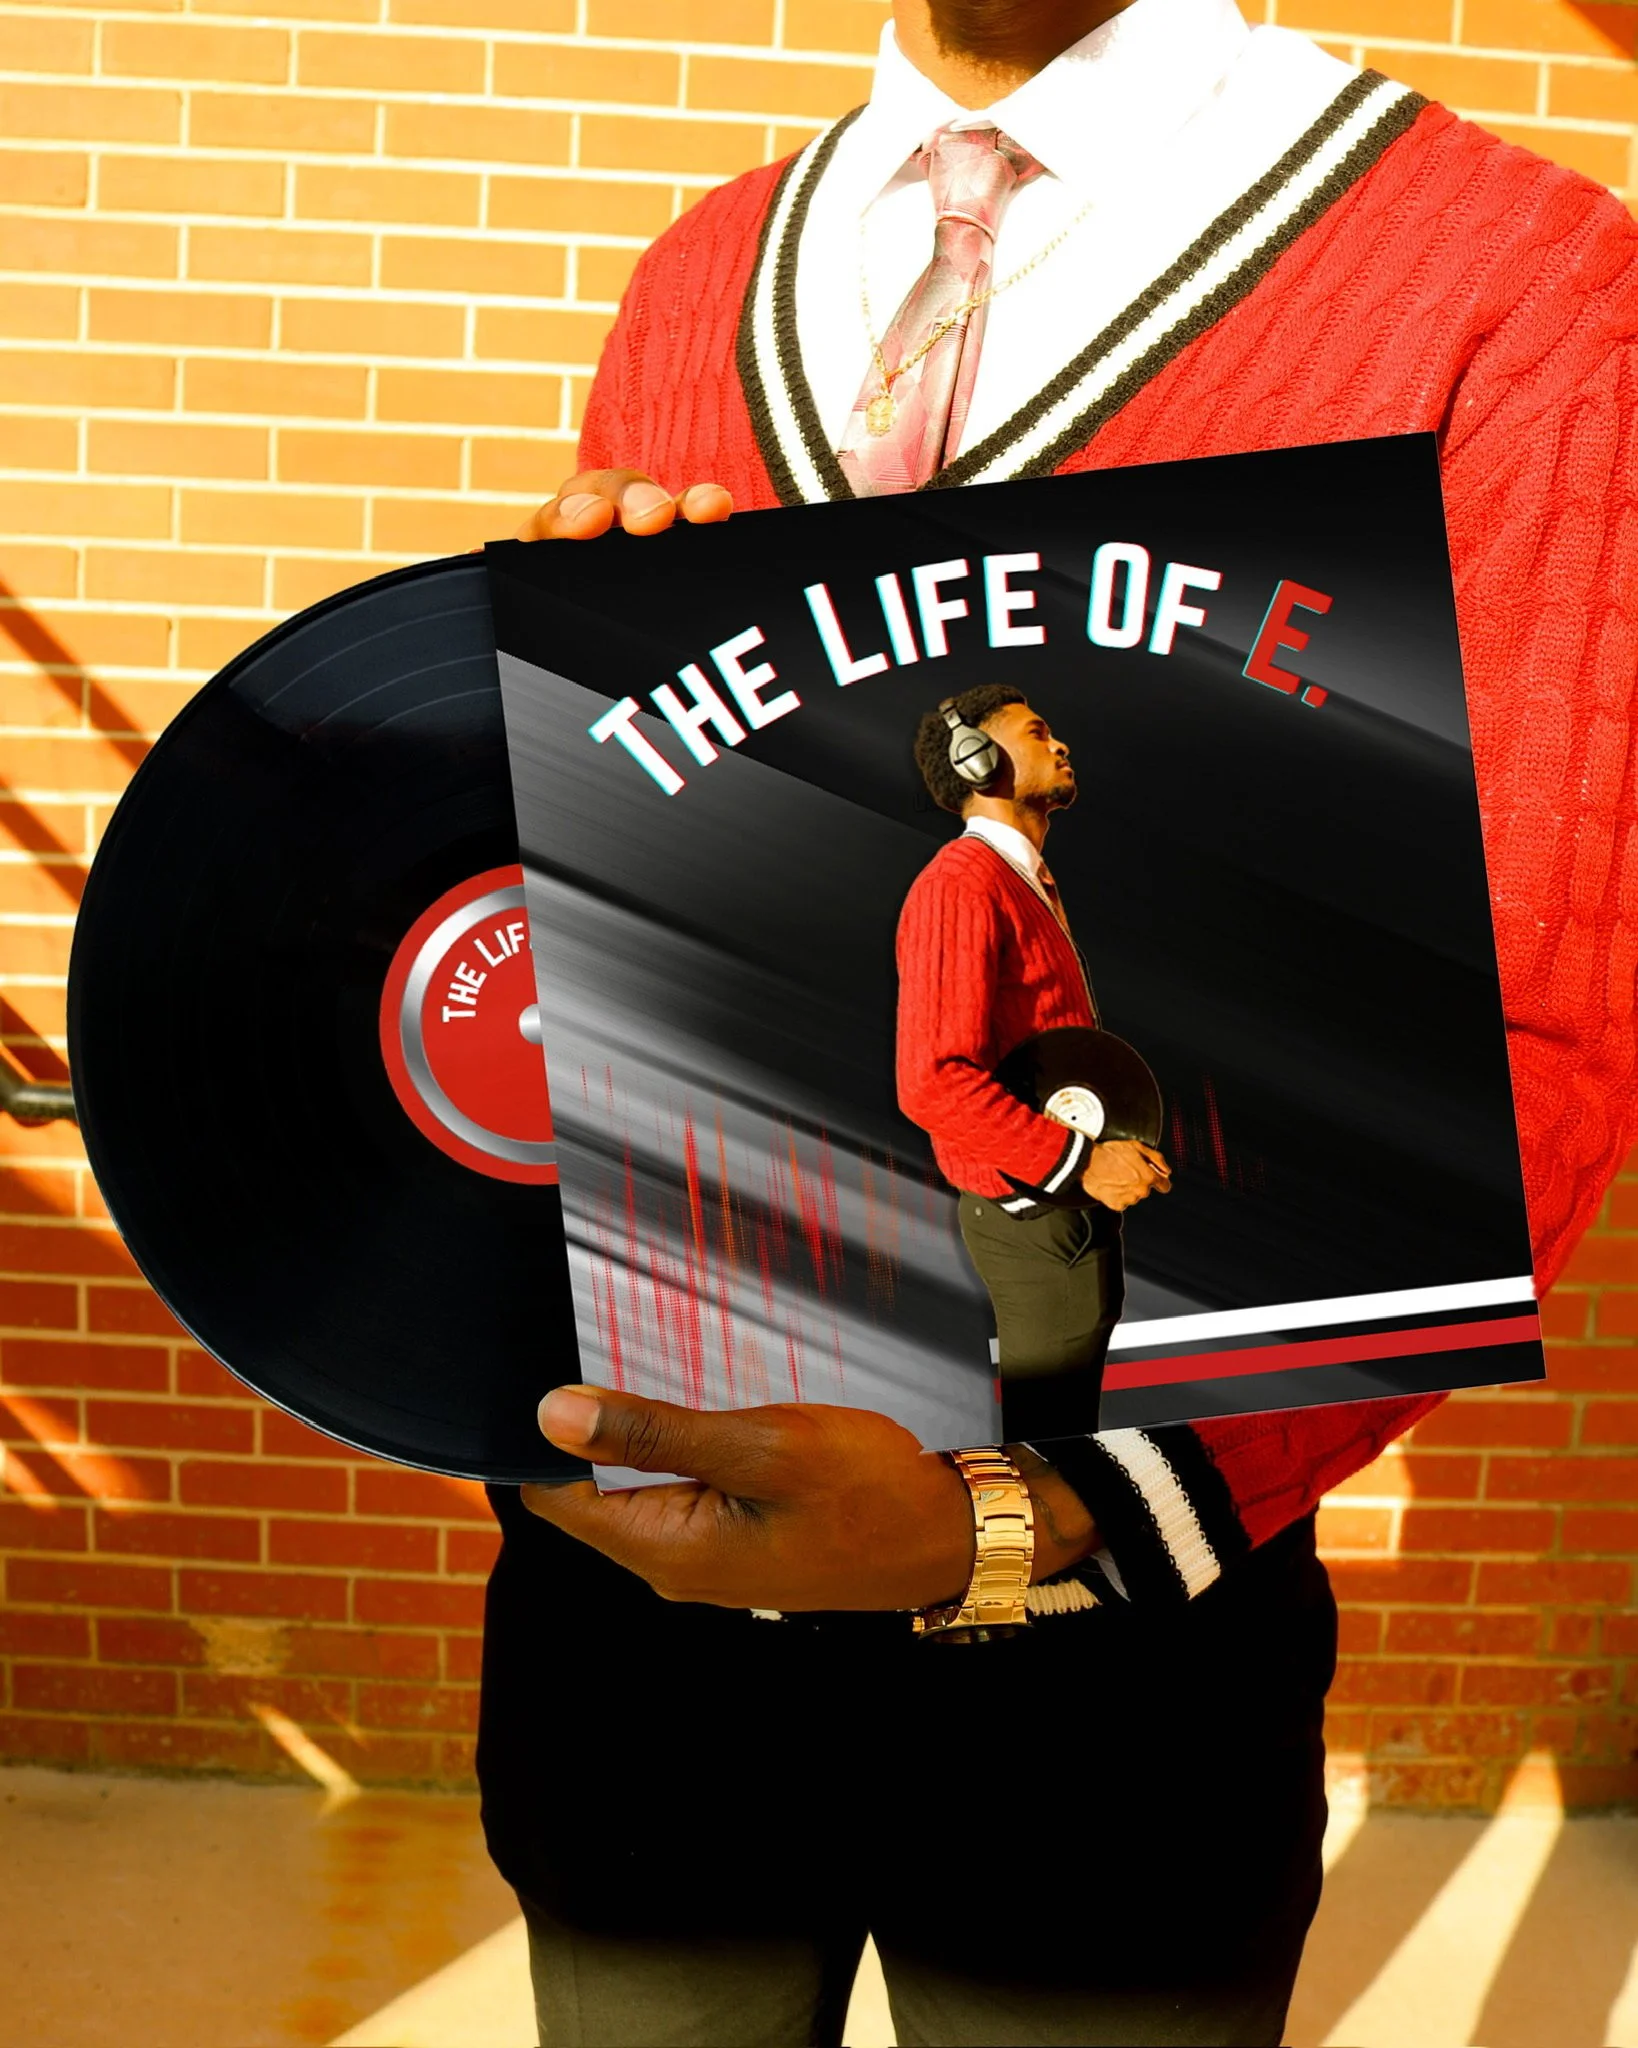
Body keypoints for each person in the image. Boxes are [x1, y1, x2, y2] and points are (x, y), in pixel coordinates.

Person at [475, 1, 1638, 2042]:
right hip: (650, 1596)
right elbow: (604, 942)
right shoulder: (703, 272)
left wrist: (1048, 1508)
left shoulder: (1521, 285)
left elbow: (1544, 1012)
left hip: (1114, 1636)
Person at [897, 687, 1171, 1445]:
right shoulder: (961, 885)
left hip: (1060, 1210)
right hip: (1034, 1213)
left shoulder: (1021, 878)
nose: (1062, 746)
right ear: (977, 762)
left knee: (1068, 1437)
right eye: (1037, 733)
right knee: (1047, 1456)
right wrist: (1078, 1165)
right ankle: (1031, 1569)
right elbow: (931, 1080)